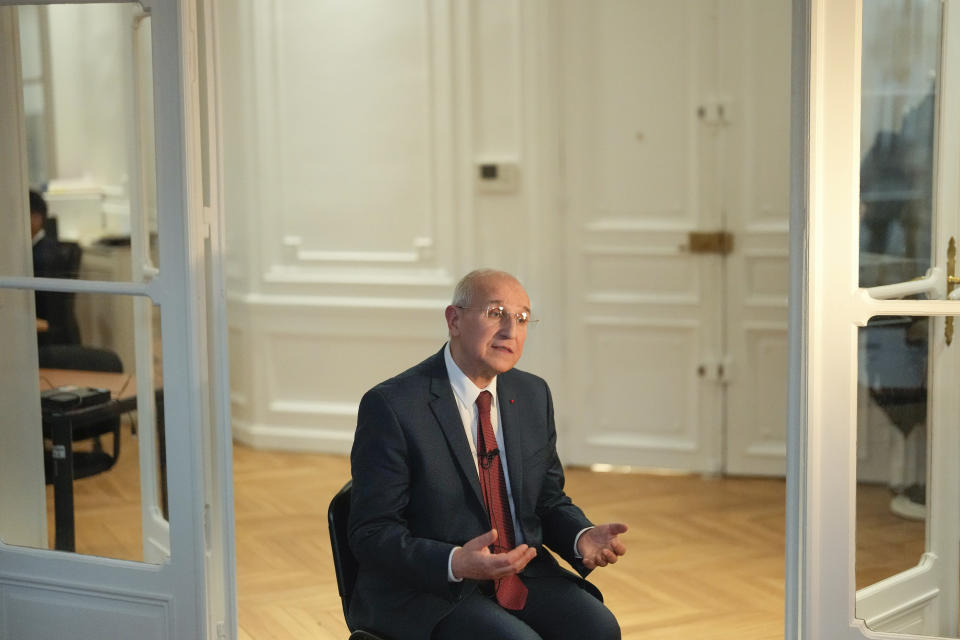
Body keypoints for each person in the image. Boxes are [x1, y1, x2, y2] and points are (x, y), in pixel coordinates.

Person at [349, 269, 627, 640]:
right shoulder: (393, 406)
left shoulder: (532, 394)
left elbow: (546, 499)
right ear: (454, 320)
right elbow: (372, 533)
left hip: (518, 571)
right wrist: (455, 562)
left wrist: (580, 536)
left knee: (598, 629)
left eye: (522, 318)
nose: (511, 331)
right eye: (496, 313)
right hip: (429, 588)